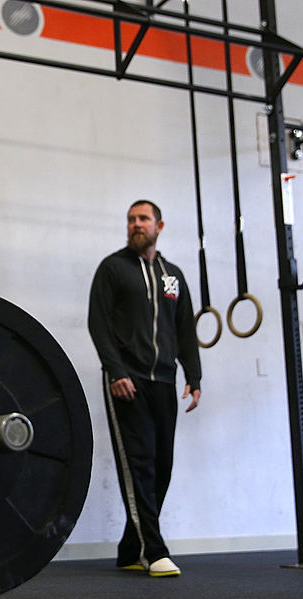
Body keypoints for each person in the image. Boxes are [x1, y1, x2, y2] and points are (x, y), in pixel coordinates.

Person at [87, 200, 202, 578]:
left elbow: (185, 330)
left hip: (164, 382)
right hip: (127, 381)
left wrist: (194, 377)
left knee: (161, 466)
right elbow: (99, 324)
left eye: (143, 219)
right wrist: (115, 371)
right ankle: (154, 549)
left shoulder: (174, 276)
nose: (136, 225)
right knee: (138, 465)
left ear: (159, 226)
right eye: (131, 220)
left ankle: (130, 548)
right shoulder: (113, 268)